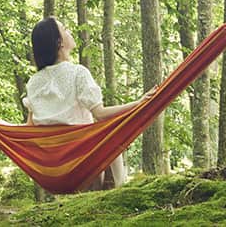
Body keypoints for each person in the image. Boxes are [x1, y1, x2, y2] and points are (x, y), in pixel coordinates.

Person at [22, 17, 140, 189]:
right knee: (112, 130)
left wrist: (3, 133)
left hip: (53, 164)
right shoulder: (78, 73)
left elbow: (30, 127)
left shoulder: (33, 82)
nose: (70, 32)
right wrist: (140, 103)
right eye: (65, 29)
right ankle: (120, 188)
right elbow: (100, 113)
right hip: (83, 157)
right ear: (59, 42)